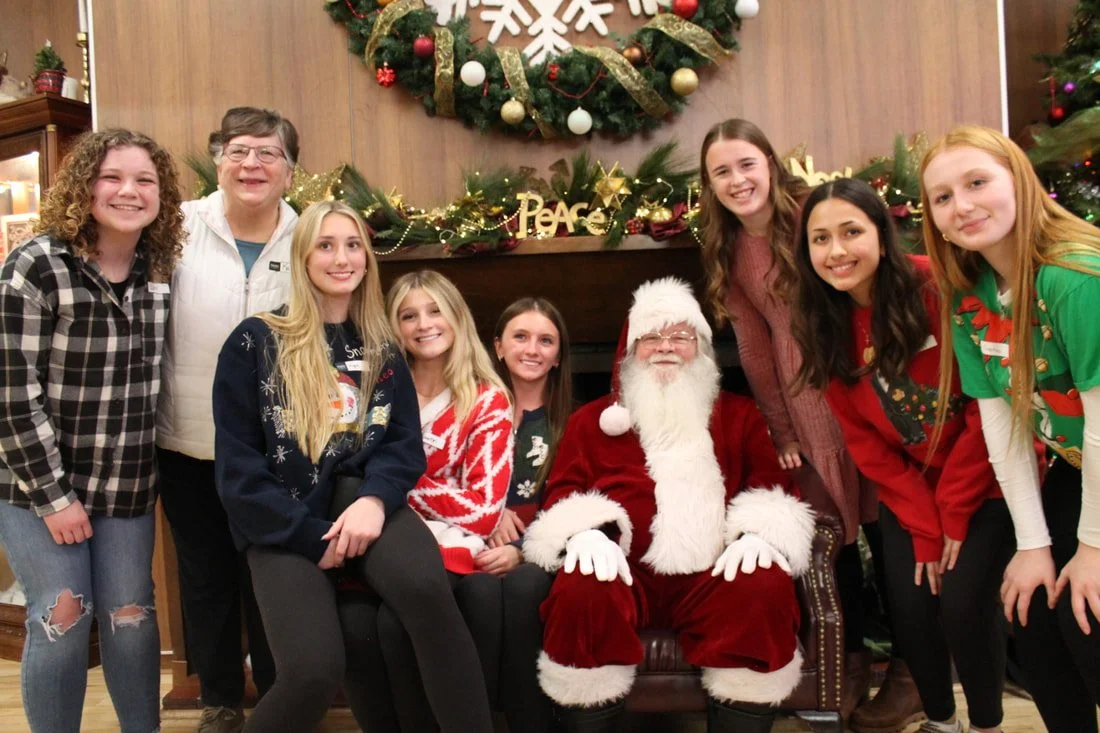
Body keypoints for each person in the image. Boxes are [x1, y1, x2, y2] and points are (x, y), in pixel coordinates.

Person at [212, 202, 492, 733]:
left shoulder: (383, 344)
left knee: (428, 594)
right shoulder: (253, 342)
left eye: (353, 245)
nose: (341, 258)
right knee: (313, 672)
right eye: (325, 245)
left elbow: (404, 444)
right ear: (303, 256)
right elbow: (239, 473)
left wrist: (373, 500)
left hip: (365, 505)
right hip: (283, 524)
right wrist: (312, 539)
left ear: (367, 257)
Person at [698, 118, 919, 729]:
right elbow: (755, 346)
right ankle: (843, 663)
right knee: (833, 541)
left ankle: (911, 672)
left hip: (860, 377)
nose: (738, 180)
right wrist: (782, 428)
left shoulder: (816, 219)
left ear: (770, 162)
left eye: (747, 164)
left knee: (892, 535)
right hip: (804, 404)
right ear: (710, 184)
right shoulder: (728, 250)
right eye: (723, 171)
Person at [523, 276, 814, 733]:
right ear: (630, 349)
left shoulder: (738, 415)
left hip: (714, 575)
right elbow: (563, 491)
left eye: (680, 336)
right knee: (581, 589)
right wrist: (584, 531)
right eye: (651, 337)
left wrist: (760, 533)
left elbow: (771, 482)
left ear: (699, 347)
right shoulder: (591, 422)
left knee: (763, 586)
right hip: (624, 574)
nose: (665, 347)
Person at [791, 178, 1016, 733]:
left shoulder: (936, 288)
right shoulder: (824, 320)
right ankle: (940, 720)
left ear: (881, 235)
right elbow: (864, 441)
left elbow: (986, 409)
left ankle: (985, 724)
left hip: (985, 473)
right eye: (821, 239)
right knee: (911, 612)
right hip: (909, 488)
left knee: (963, 606)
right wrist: (924, 522)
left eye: (851, 232)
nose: (836, 250)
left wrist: (952, 513)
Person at [0, 128, 185, 733]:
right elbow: (9, 392)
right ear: (84, 186)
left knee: (130, 616)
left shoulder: (160, 268)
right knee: (63, 614)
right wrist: (54, 499)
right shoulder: (37, 265)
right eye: (112, 177)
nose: (129, 191)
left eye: (145, 180)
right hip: (36, 485)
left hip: (125, 484)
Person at [921, 124, 1100, 733]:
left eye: (977, 182)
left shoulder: (1073, 278)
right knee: (1030, 606)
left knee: (1087, 614)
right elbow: (1005, 432)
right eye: (943, 197)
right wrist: (1034, 545)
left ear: (1020, 182)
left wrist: (1092, 549)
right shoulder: (969, 298)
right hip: (1079, 466)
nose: (962, 205)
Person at [157, 106, 297, 732]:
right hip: (186, 440)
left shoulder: (308, 236)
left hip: (277, 447)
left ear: (291, 172)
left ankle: (278, 694)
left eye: (269, 153)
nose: (252, 164)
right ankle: (218, 699)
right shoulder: (175, 229)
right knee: (206, 577)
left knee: (270, 576)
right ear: (217, 160)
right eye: (239, 150)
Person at [359, 269, 511, 733]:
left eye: (434, 310)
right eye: (408, 315)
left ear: (456, 317)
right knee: (379, 625)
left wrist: (392, 487)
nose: (424, 324)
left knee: (396, 621)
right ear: (394, 327)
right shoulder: (378, 396)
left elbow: (484, 509)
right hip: (379, 542)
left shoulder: (487, 401)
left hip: (451, 549)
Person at [470, 296, 575, 733]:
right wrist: (488, 517)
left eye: (545, 341)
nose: (532, 349)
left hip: (544, 548)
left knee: (524, 586)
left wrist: (522, 549)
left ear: (557, 357)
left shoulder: (573, 420)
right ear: (497, 346)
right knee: (476, 591)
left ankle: (531, 723)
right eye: (520, 337)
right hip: (472, 537)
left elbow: (575, 504)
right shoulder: (470, 408)